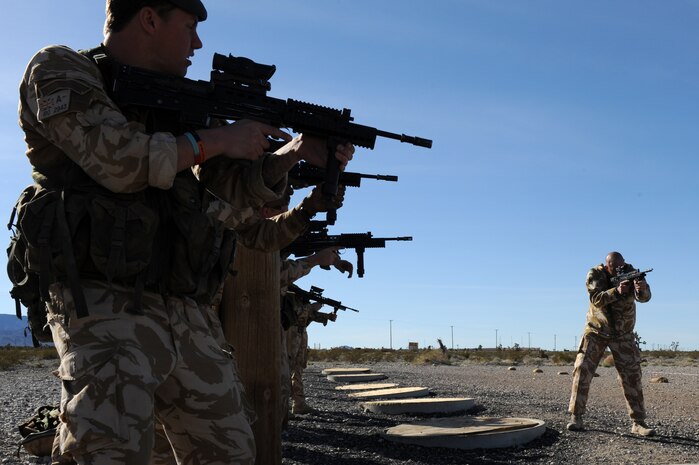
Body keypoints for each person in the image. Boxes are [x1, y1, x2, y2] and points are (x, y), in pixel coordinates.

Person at [16, 1, 353, 463]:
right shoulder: (60, 68)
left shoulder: (181, 109)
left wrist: (292, 153)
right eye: (190, 27)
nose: (197, 43)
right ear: (150, 18)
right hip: (103, 301)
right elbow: (120, 161)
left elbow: (230, 193)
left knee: (231, 452)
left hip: (187, 308)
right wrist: (214, 140)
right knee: (109, 452)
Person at [566, 252, 655, 436]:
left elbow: (645, 298)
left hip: (623, 333)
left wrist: (641, 288)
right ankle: (576, 416)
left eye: (621, 266)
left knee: (632, 374)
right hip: (597, 330)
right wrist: (616, 291)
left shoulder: (632, 273)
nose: (619, 269)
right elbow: (596, 299)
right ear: (608, 266)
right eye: (615, 267)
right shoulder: (595, 274)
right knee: (582, 369)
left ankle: (638, 422)